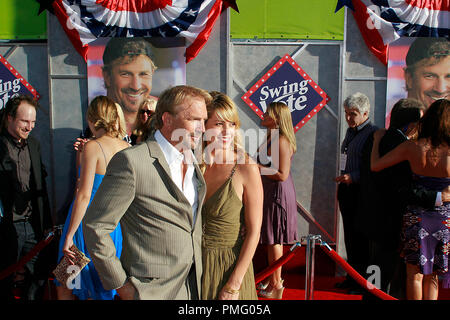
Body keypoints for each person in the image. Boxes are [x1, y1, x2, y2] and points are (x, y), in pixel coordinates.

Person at [83, 85, 211, 300]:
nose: (202, 128)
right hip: (148, 291)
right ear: (168, 120)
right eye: (194, 120)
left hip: (192, 288)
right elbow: (95, 226)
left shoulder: (193, 163)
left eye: (204, 120)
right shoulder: (132, 162)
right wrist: (122, 286)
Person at [358, 98, 441, 299]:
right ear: (411, 123)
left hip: (375, 214)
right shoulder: (400, 145)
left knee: (376, 267)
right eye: (419, 121)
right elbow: (400, 188)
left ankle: (372, 297)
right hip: (390, 218)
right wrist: (436, 197)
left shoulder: (377, 138)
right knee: (382, 268)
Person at [55, 96, 129, 300]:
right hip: (114, 227)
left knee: (66, 282)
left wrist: (69, 236)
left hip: (85, 224)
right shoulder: (127, 148)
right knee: (104, 285)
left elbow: (83, 194)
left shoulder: (93, 147)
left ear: (91, 118)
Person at [200, 92, 263, 300]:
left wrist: (233, 286)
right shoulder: (193, 165)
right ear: (204, 125)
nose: (227, 131)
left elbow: (254, 232)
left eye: (232, 123)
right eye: (219, 123)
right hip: (194, 267)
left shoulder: (246, 167)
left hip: (229, 269)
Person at [0, 95, 53, 300]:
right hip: (6, 228)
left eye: (33, 122)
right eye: (25, 121)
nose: (30, 127)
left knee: (39, 276)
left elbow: (41, 185)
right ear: (10, 118)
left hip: (33, 226)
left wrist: (46, 222)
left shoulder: (34, 144)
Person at [334, 92, 377, 293]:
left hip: (361, 193)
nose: (349, 118)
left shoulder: (373, 134)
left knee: (360, 239)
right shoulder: (350, 132)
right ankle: (352, 279)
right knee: (350, 238)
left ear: (365, 113)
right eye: (346, 113)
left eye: (353, 113)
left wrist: (353, 177)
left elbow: (373, 167)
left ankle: (363, 283)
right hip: (346, 191)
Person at [257, 102, 298, 299]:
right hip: (271, 193)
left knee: (274, 239)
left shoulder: (281, 140)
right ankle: (272, 280)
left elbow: (282, 174)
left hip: (278, 195)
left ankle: (276, 285)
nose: (263, 115)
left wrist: (255, 167)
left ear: (276, 118)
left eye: (267, 113)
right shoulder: (272, 138)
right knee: (270, 238)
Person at [102, 37, 158, 140]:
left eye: (143, 74)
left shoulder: (164, 112)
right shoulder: (97, 114)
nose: (136, 86)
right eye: (126, 74)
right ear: (107, 76)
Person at [404, 38, 449, 108]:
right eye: (430, 76)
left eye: (449, 77)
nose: (441, 89)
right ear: (409, 78)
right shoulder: (385, 118)